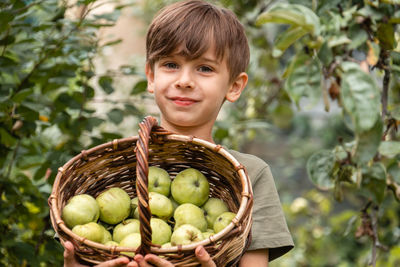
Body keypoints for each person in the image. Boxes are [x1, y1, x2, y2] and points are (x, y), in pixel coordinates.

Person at [63, 0, 294, 266]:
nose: (184, 80)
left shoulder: (250, 176)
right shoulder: (114, 166)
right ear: (151, 75)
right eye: (171, 64)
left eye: (204, 68)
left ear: (234, 86)